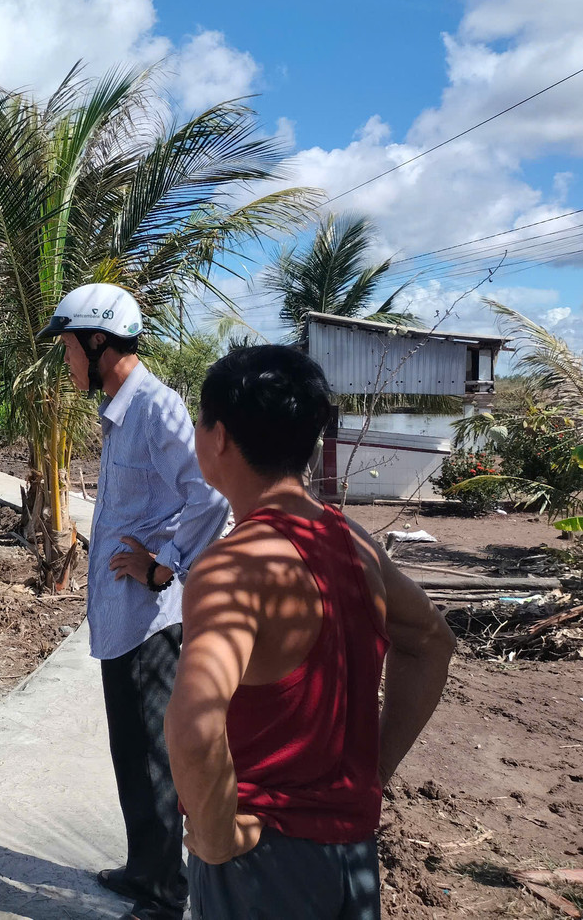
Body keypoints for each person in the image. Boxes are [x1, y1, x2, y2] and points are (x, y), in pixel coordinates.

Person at [165, 345, 455, 920]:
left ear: (218, 437)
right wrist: (377, 769)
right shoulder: (356, 543)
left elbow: (194, 729)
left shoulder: (232, 568)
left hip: (265, 865)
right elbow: (430, 642)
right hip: (352, 857)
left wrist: (219, 836)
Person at [37, 283, 230, 920]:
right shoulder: (120, 408)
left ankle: (164, 891)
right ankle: (146, 867)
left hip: (150, 621)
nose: (66, 364)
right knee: (131, 751)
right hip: (123, 620)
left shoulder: (157, 407)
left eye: (69, 350)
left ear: (98, 343)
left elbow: (210, 494)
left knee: (152, 756)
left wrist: (162, 565)